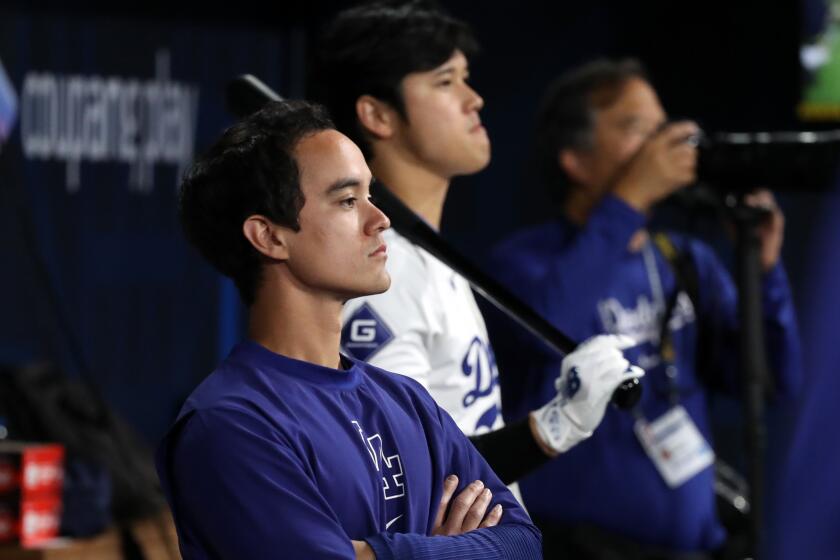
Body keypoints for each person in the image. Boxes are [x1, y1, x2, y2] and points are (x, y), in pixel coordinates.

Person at [155, 99, 544, 559]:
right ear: (270, 236)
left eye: (370, 196)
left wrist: (378, 553)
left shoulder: (406, 399)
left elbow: (522, 540)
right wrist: (444, 551)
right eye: (347, 200)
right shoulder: (231, 424)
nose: (380, 220)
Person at [312, 1, 643, 489]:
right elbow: (407, 472)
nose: (474, 100)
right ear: (378, 114)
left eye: (466, 78)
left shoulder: (429, 258)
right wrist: (553, 427)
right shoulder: (379, 269)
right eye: (446, 82)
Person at [488, 58, 802, 557]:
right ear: (575, 158)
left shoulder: (683, 259)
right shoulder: (523, 263)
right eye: (638, 129)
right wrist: (629, 199)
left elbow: (770, 382)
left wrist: (764, 272)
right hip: (581, 548)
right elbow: (543, 331)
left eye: (663, 128)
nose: (662, 145)